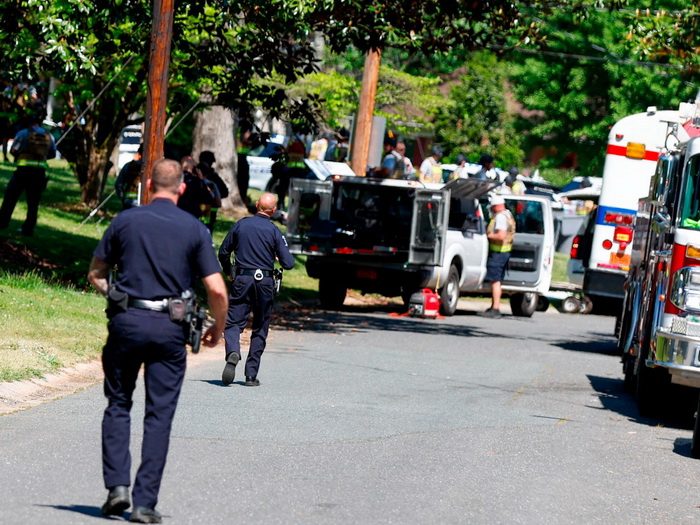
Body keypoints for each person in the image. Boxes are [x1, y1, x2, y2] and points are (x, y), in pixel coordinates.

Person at [87, 158, 228, 523]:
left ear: (148, 185)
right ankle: (144, 503)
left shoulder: (125, 220)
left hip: (127, 323)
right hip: (170, 328)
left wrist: (116, 298)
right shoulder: (194, 229)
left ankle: (117, 488)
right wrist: (219, 328)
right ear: (181, 188)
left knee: (118, 404)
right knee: (159, 416)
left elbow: (96, 273)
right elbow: (216, 288)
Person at [218, 193, 296, 387]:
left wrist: (230, 271)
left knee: (234, 322)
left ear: (256, 205)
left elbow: (223, 252)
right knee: (260, 326)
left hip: (242, 279)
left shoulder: (240, 225)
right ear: (274, 210)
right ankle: (251, 375)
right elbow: (289, 263)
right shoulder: (274, 231)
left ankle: (233, 352)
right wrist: (276, 255)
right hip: (265, 282)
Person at [0, 113, 56, 236]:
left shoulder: (23, 133)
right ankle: (28, 229)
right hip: (39, 172)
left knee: (10, 197)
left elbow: (14, 149)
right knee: (33, 202)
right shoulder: (49, 136)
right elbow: (52, 154)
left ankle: (2, 222)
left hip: (23, 171)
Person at [479, 194, 516, 319]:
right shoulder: (508, 214)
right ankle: (494, 306)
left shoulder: (500, 217)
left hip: (498, 253)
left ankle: (495, 308)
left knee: (495, 281)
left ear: (496, 206)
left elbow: (501, 236)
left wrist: (486, 235)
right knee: (497, 280)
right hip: (504, 252)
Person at [115, 145, 143, 209]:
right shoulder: (156, 168)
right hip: (147, 205)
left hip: (129, 203)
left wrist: (123, 198)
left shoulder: (129, 166)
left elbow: (119, 184)